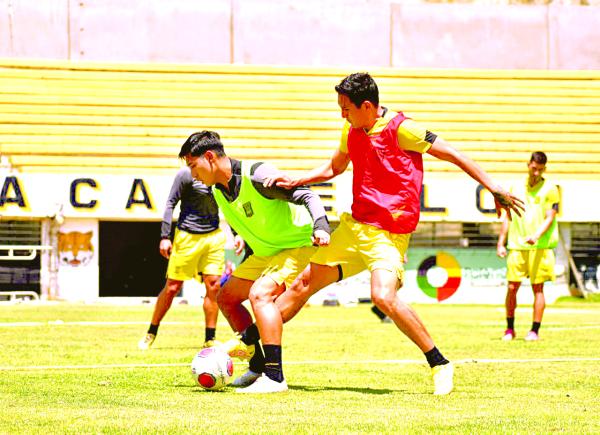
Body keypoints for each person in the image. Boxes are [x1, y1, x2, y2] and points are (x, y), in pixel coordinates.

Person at [262, 72, 524, 395]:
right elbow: (334, 168)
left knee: (383, 296)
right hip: (353, 228)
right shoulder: (352, 129)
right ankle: (259, 357)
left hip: (388, 235)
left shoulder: (403, 129)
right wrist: (298, 180)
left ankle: (439, 363)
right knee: (302, 283)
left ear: (368, 106)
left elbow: (453, 153)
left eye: (346, 108)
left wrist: (494, 187)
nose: (342, 114)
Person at [178, 130, 331, 393]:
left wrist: (321, 226)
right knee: (225, 297)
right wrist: (239, 236)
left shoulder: (256, 175)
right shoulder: (217, 191)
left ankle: (275, 377)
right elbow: (241, 215)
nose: (192, 174)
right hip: (265, 252)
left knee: (260, 295)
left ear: (210, 157)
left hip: (298, 244)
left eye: (193, 165)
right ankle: (257, 366)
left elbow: (306, 194)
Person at [138, 167, 225, 350]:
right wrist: (164, 236)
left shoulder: (220, 174)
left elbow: (230, 204)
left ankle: (210, 338)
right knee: (172, 287)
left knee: (214, 285)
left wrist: (236, 233)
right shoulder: (186, 174)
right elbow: (171, 203)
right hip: (187, 236)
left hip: (214, 236)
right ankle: (151, 332)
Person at [497, 151, 559, 342]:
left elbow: (550, 217)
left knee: (538, 288)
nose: (536, 173)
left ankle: (534, 330)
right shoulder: (515, 186)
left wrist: (536, 235)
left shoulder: (550, 188)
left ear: (544, 169)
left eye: (540, 170)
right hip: (517, 244)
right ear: (528, 165)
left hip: (540, 246)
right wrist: (501, 242)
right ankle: (509, 329)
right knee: (512, 287)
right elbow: (508, 216)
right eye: (533, 168)